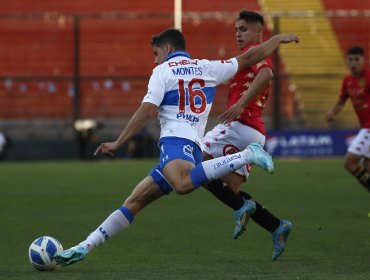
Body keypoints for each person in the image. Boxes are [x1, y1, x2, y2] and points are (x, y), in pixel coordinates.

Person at [54, 28, 299, 266]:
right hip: (192, 146)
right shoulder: (207, 67)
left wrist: (118, 142)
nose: (155, 59)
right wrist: (276, 40)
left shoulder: (162, 71)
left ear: (167, 48)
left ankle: (248, 154)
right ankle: (85, 246)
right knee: (134, 201)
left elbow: (148, 111)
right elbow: (248, 58)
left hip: (175, 142)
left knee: (182, 185)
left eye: (155, 53)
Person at [201, 10, 292, 261]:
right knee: (230, 190)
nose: (239, 35)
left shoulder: (256, 53)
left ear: (259, 32)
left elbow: (266, 74)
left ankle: (242, 208)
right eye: (237, 30)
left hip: (240, 125)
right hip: (254, 134)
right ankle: (276, 226)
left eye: (244, 29)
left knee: (194, 166)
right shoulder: (245, 57)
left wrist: (241, 103)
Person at [326, 46, 370, 192]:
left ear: (363, 60)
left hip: (369, 129)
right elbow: (341, 101)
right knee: (367, 169)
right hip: (365, 127)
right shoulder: (348, 80)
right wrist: (332, 113)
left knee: (349, 162)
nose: (353, 63)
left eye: (357, 59)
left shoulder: (368, 77)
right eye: (350, 60)